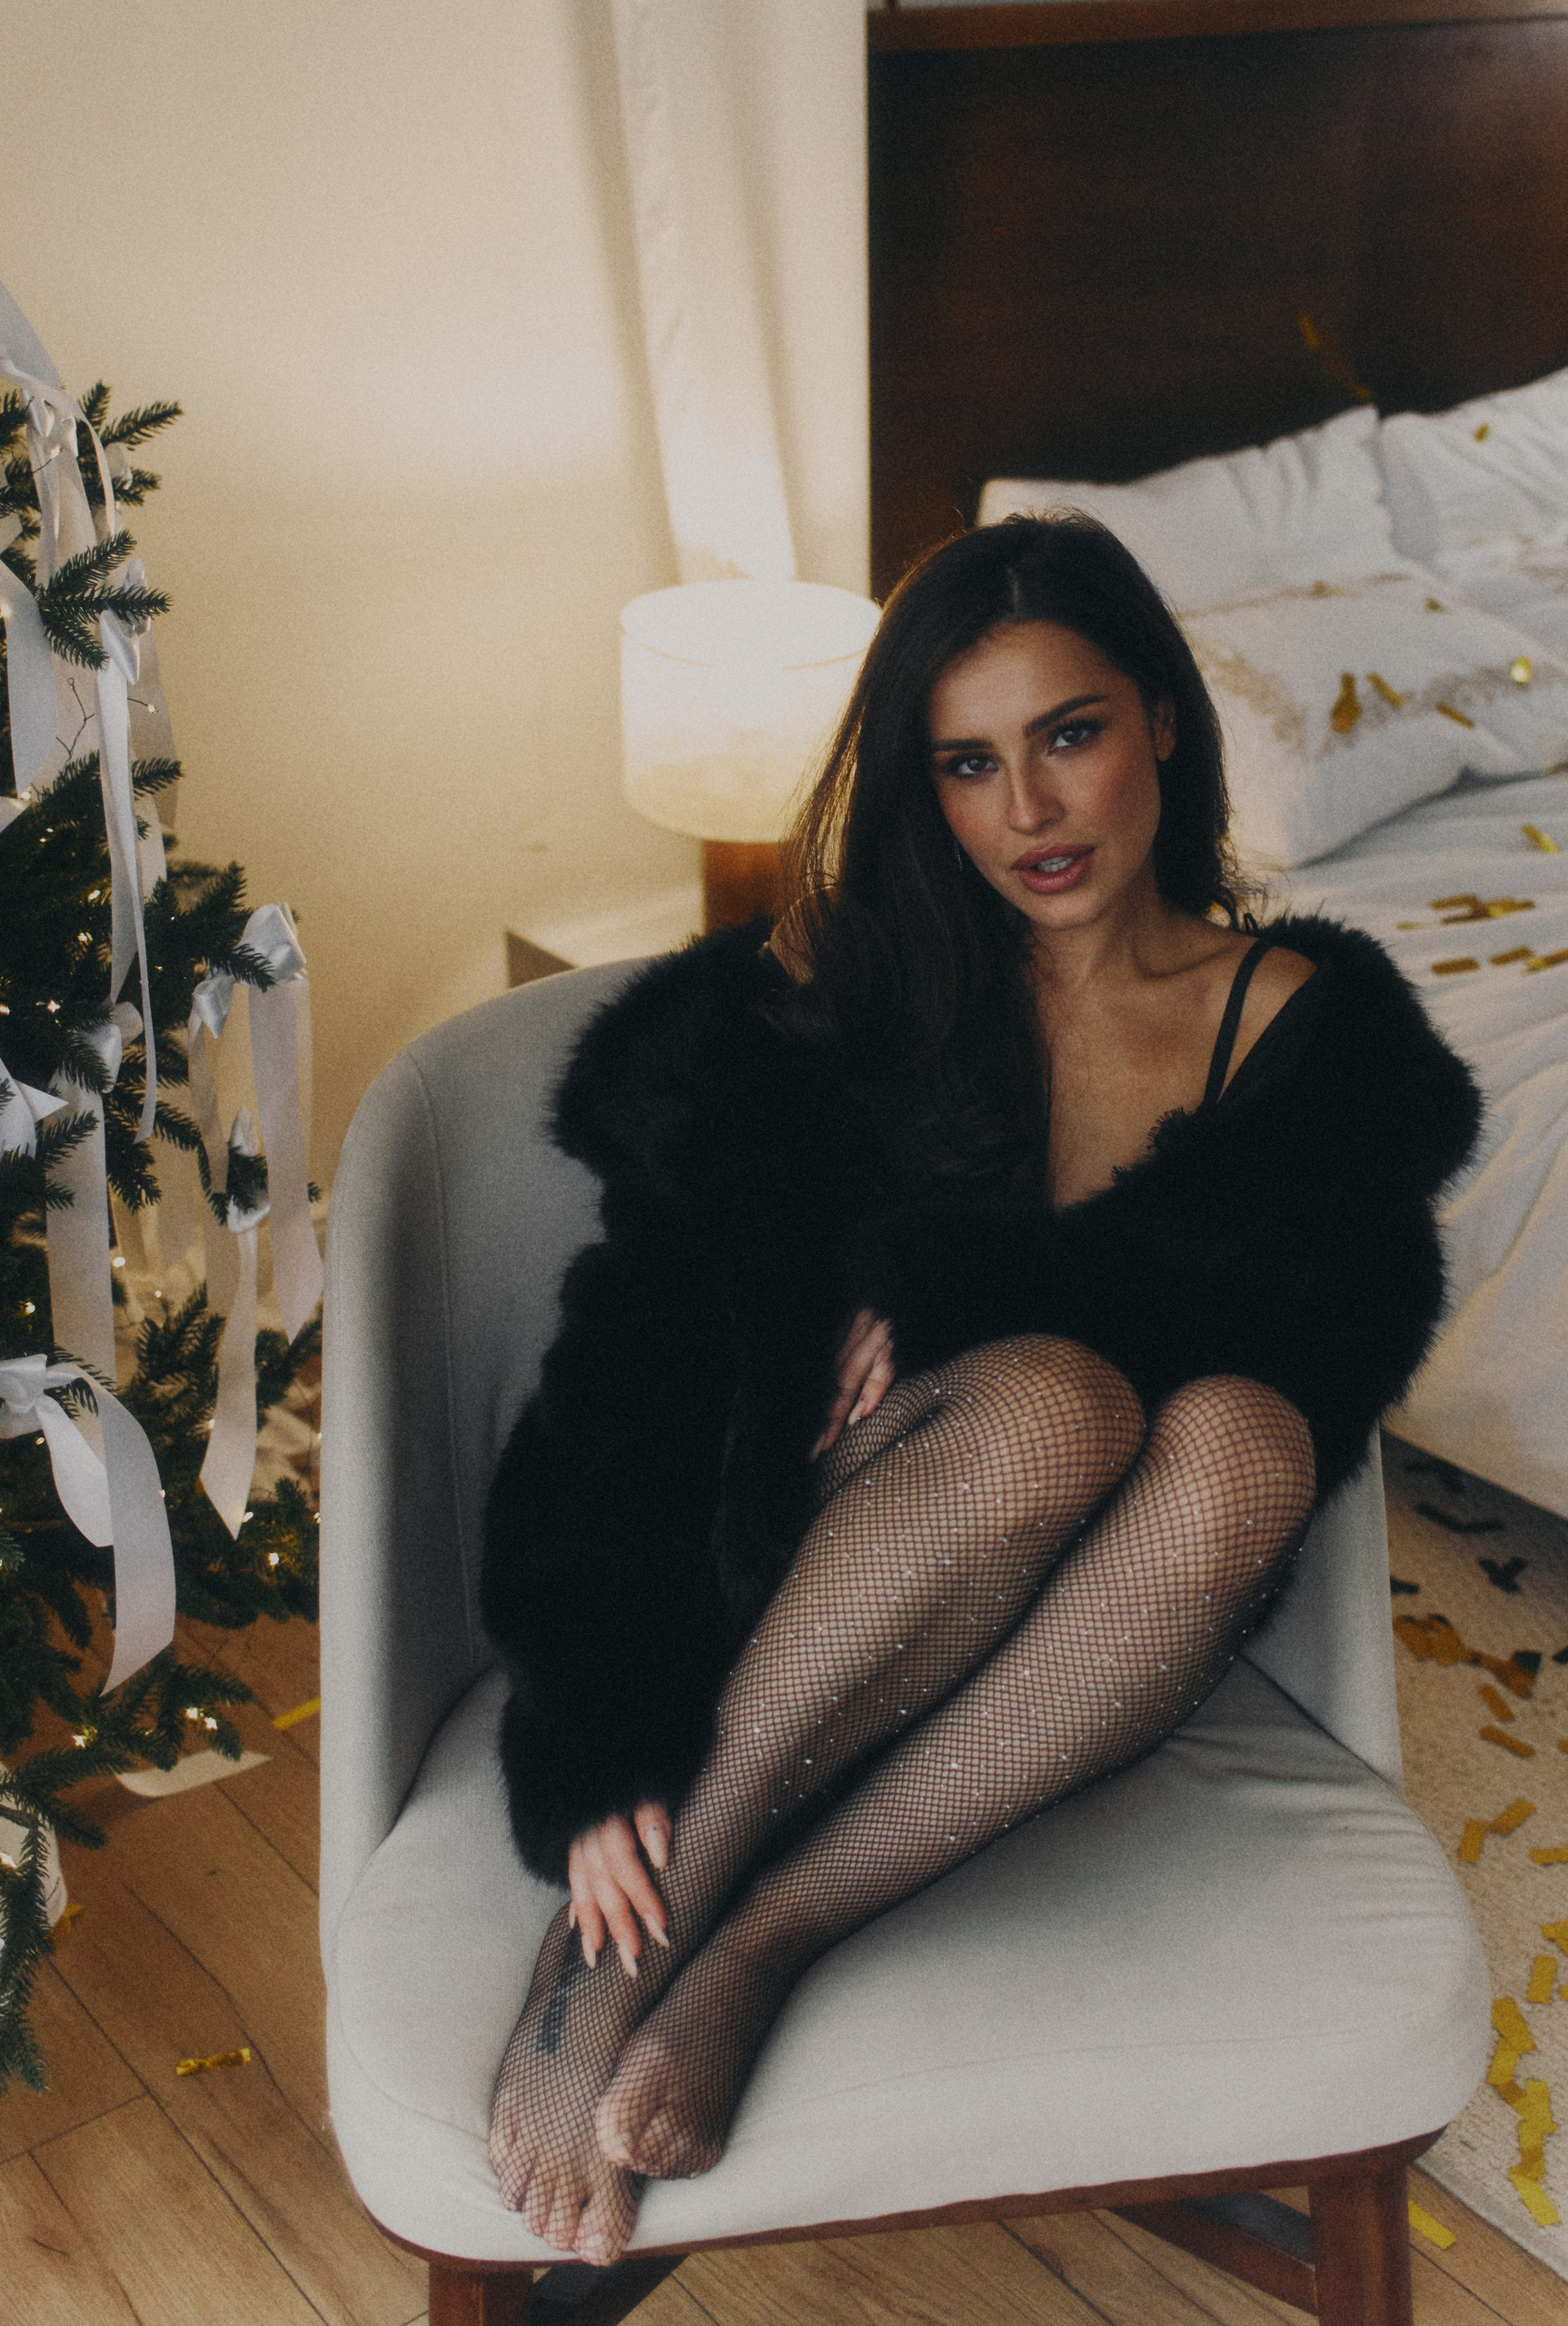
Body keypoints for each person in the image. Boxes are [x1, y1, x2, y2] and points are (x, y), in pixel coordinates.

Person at [480, 513, 1482, 2264]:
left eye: (1070, 734)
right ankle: (625, 1947)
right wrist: (592, 1727)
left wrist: (951, 1291)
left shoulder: (1309, 1037)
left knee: (1243, 1432)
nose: (1029, 811)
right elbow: (629, 1358)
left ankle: (769, 1935)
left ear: (1160, 716)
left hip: (1093, 1625)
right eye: (967, 763)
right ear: (920, 785)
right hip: (805, 1581)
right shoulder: (846, 997)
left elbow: (1320, 1359)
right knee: (1048, 1407)